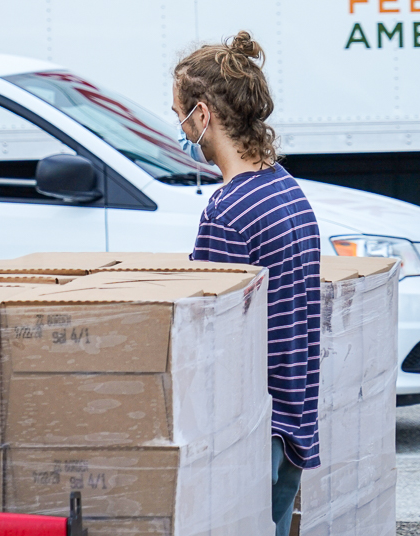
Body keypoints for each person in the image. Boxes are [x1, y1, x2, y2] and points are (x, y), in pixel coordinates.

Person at [173, 32, 320, 536]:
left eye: (179, 114)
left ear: (202, 115)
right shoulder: (287, 189)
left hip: (255, 429)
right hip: (294, 414)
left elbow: (213, 338)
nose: (180, 126)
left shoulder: (227, 210)